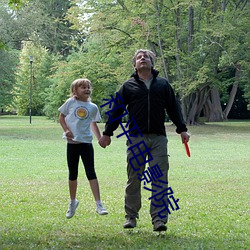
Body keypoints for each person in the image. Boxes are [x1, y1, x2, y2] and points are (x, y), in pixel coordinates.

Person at [99, 49, 190, 231]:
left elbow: (174, 108)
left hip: (158, 139)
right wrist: (108, 133)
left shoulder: (163, 85)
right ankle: (131, 216)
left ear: (151, 63)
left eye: (146, 57)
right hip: (135, 139)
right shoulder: (128, 86)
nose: (143, 59)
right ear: (135, 64)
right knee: (134, 178)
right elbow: (117, 111)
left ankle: (159, 219)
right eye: (139, 58)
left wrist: (182, 130)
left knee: (159, 178)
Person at [58, 78, 108, 219]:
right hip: (72, 144)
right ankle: (72, 202)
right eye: (83, 87)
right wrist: (66, 130)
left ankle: (99, 204)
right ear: (75, 91)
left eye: (88, 87)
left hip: (86, 144)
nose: (87, 89)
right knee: (72, 174)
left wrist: (99, 138)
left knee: (91, 172)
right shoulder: (70, 103)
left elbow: (93, 124)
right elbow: (61, 116)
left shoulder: (93, 107)